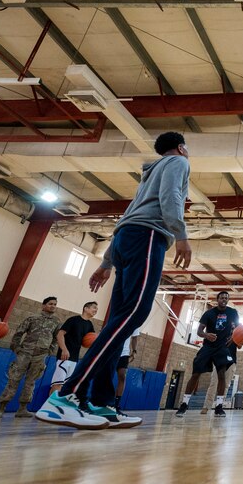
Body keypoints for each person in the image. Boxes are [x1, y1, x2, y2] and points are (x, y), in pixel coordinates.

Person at [37, 131, 193, 430]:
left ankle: (101, 402)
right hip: (148, 237)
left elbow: (126, 217)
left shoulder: (149, 175)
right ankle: (66, 396)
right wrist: (182, 235)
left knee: (118, 323)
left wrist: (107, 261)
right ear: (181, 147)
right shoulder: (178, 162)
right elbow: (171, 197)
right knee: (135, 313)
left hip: (126, 239)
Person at [0, 296, 60, 418]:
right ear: (44, 305)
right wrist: (16, 348)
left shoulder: (56, 322)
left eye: (55, 304)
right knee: (13, 379)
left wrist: (49, 350)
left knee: (30, 382)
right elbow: (19, 333)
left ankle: (22, 409)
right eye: (50, 304)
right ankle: (1, 408)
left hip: (40, 356)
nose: (53, 306)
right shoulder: (32, 318)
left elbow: (56, 338)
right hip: (25, 353)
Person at [177, 291, 239, 417]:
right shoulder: (209, 313)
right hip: (208, 347)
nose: (224, 299)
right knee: (196, 374)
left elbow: (238, 329)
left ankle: (219, 406)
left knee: (221, 375)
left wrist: (234, 338)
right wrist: (206, 335)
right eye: (222, 297)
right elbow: (199, 331)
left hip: (222, 348)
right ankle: (184, 404)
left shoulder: (233, 312)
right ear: (217, 299)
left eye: (226, 298)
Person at [50, 301, 98, 394]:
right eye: (94, 308)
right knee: (57, 384)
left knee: (65, 385)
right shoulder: (73, 320)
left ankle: (55, 403)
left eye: (97, 309)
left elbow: (91, 341)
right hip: (64, 356)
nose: (96, 310)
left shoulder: (89, 325)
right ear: (86, 308)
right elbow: (60, 334)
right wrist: (64, 349)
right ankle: (50, 402)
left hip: (75, 358)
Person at [115, 327, 141, 412]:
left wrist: (134, 351)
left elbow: (134, 337)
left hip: (124, 353)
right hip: (112, 350)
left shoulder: (135, 322)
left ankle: (116, 403)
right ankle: (102, 400)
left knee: (122, 376)